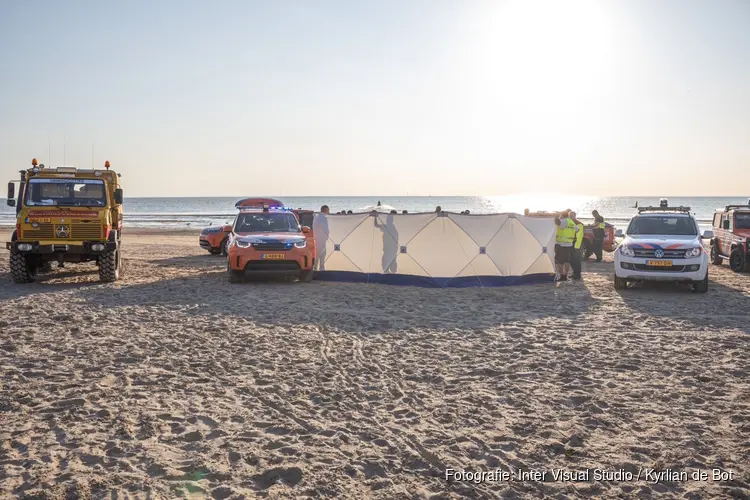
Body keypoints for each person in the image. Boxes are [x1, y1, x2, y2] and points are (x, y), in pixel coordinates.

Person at [553, 212, 579, 282]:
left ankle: (562, 276)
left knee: (559, 261)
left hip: (562, 244)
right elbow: (577, 229)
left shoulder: (564, 221)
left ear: (562, 215)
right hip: (569, 244)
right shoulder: (571, 222)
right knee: (566, 261)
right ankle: (565, 275)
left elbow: (558, 223)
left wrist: (555, 217)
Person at [569, 211, 584, 280]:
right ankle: (574, 273)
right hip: (571, 243)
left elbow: (579, 236)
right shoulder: (571, 223)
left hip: (576, 244)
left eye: (572, 215)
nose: (570, 217)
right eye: (570, 215)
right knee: (571, 260)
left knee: (576, 260)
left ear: (575, 216)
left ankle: (577, 275)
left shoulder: (578, 224)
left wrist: (577, 246)